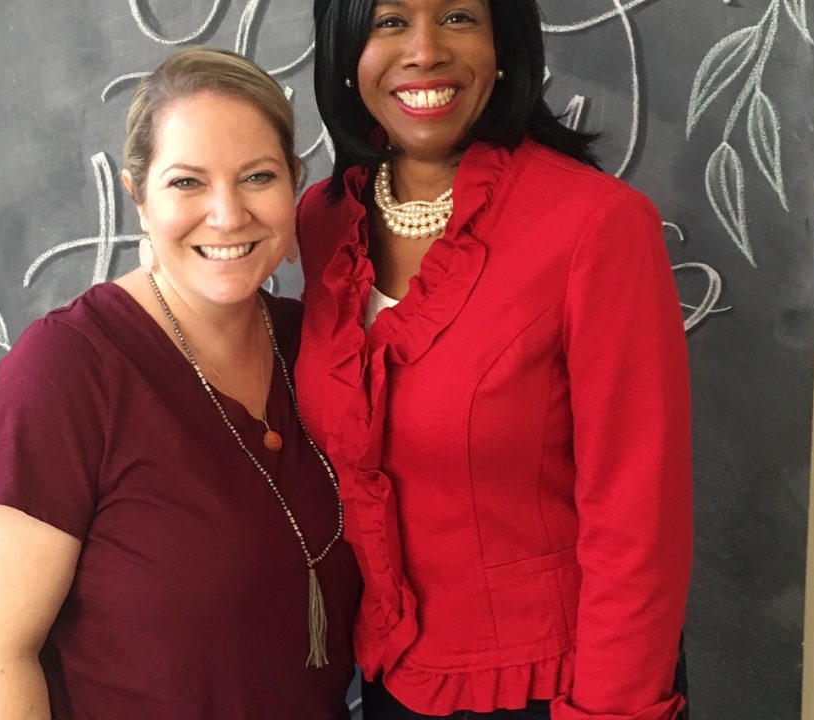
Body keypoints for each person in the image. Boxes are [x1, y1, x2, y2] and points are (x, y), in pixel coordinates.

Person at [296, 1, 693, 719]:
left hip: (551, 687)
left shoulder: (599, 224)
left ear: (503, 42)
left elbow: (639, 521)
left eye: (457, 17)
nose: (424, 51)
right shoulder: (322, 222)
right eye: (389, 21)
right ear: (346, 52)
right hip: (387, 678)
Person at [0, 47, 358, 720]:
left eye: (257, 176)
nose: (227, 214)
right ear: (138, 197)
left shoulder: (313, 344)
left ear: (294, 185)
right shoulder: (66, 371)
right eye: (186, 182)